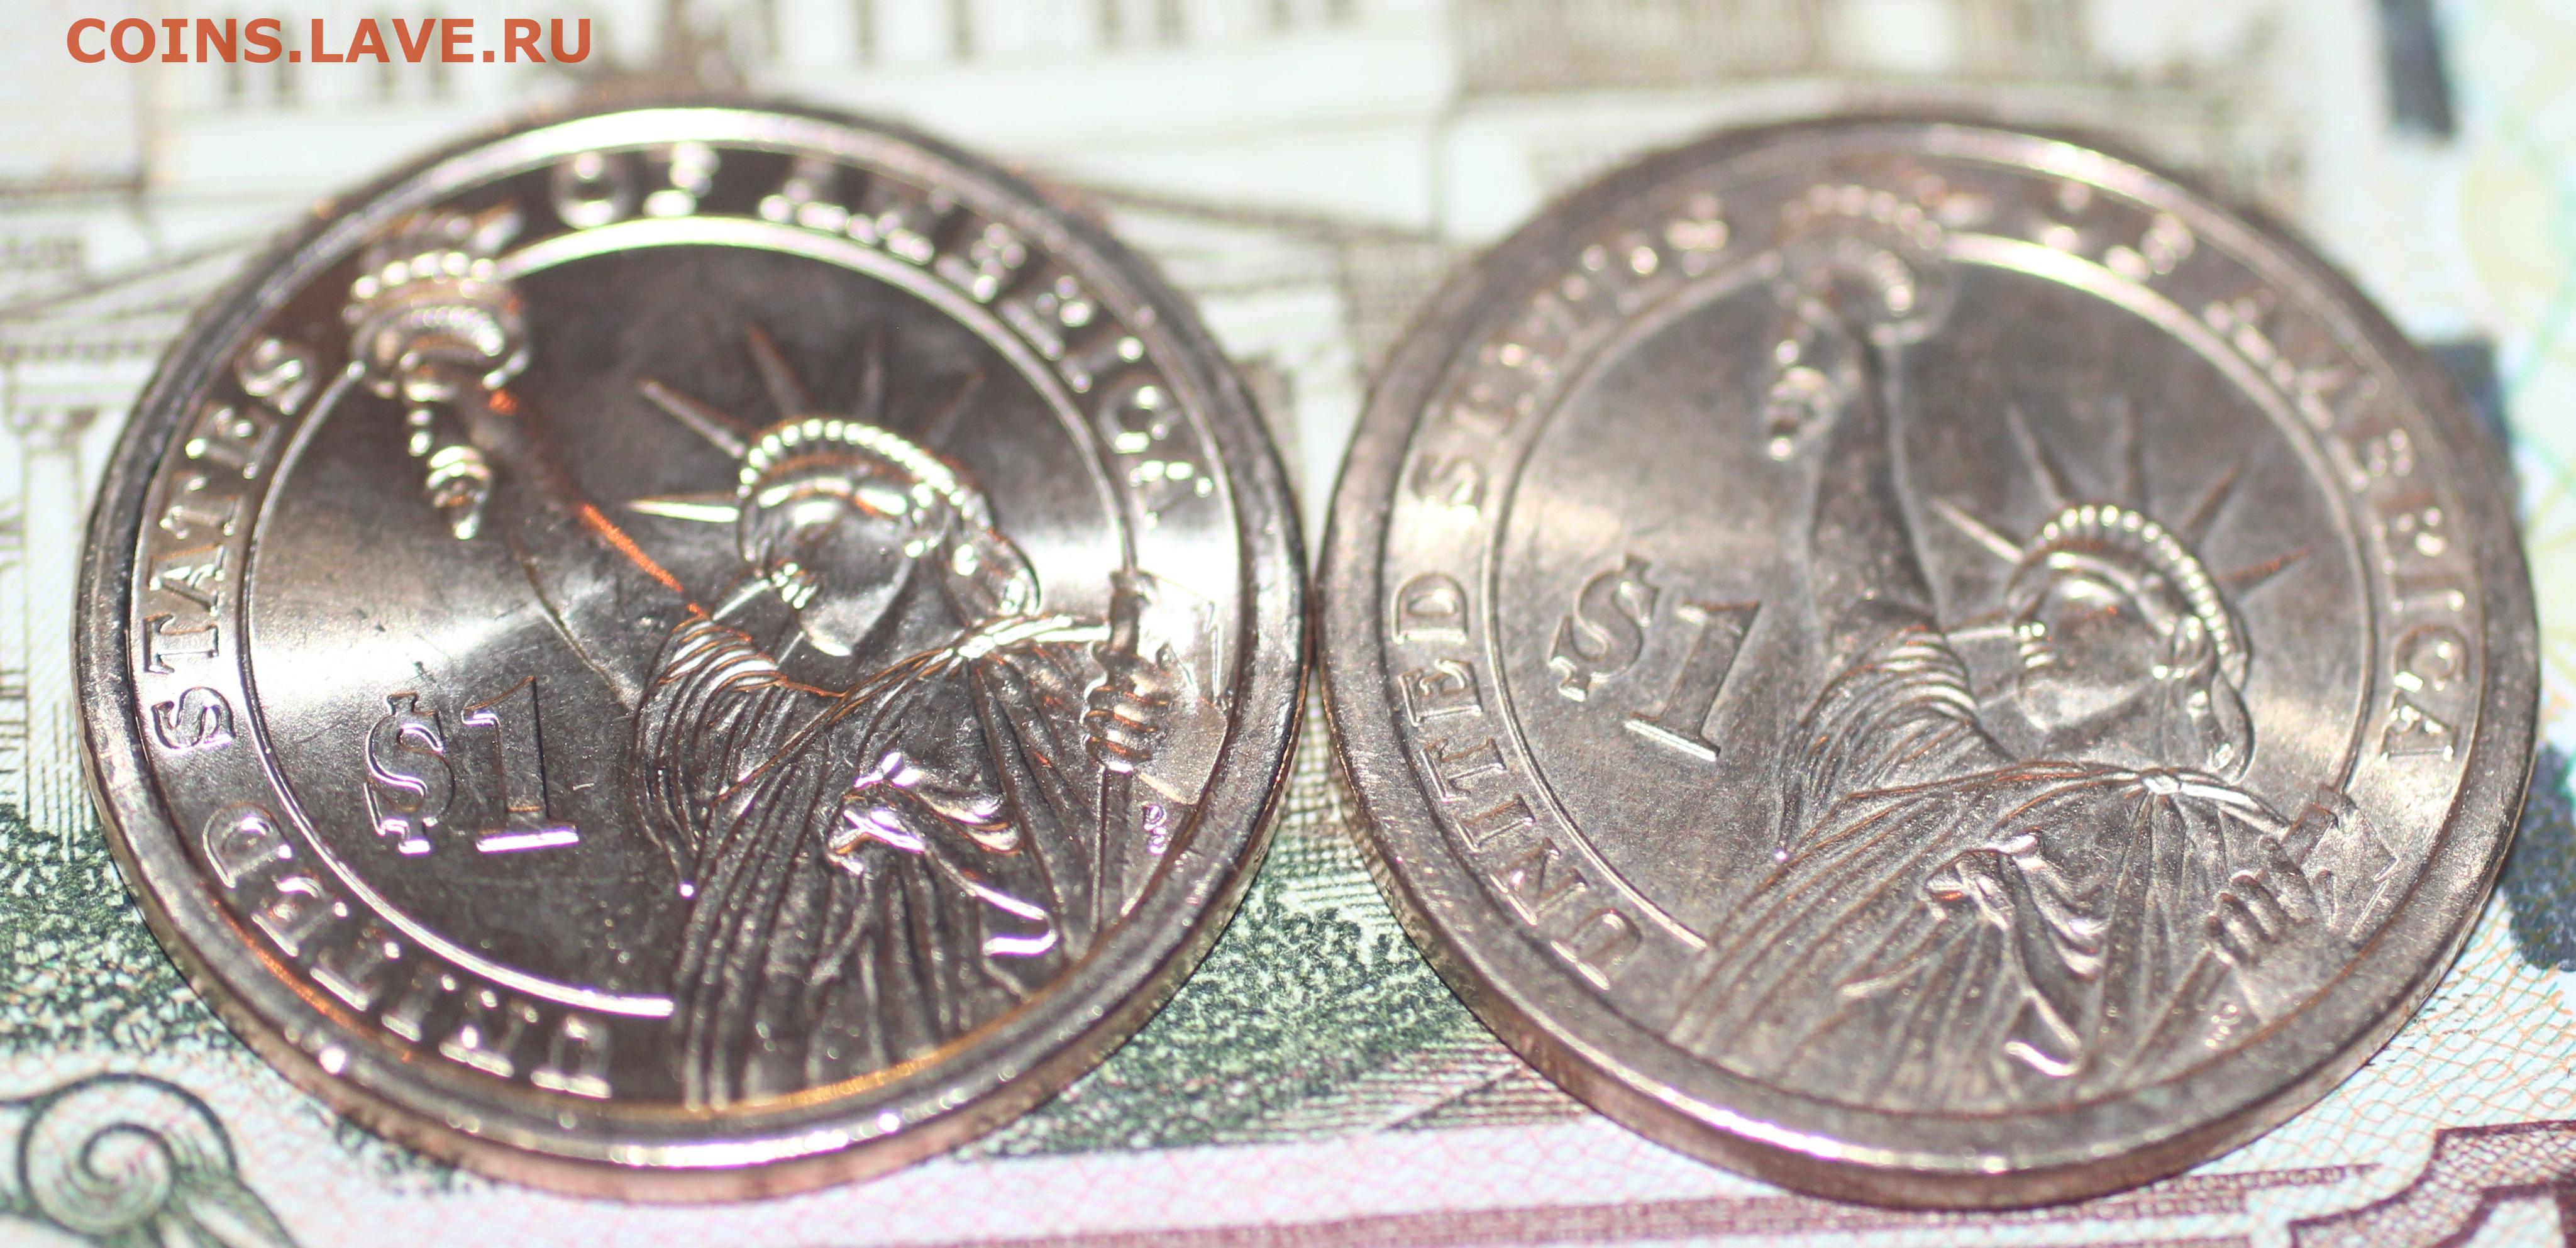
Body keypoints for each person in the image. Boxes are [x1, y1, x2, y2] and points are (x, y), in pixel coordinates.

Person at [348, 210, 1223, 1108]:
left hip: (1005, 1062)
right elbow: (606, 601)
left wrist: (1174, 736)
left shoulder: (1058, 672)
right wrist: (493, 425)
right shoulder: (778, 734)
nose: (779, 569)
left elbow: (1172, 811)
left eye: (802, 527)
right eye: (763, 551)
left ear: (918, 519)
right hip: (775, 1076)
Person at [1672, 224, 2341, 1112]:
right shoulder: (1926, 773)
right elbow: (1866, 600)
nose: (2026, 626)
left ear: (2178, 645)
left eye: (2070, 602)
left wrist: (2301, 982)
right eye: (2024, 605)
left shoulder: (2250, 864)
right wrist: (1855, 391)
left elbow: (2247, 1043)